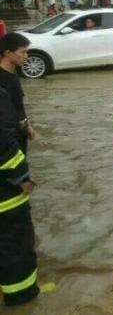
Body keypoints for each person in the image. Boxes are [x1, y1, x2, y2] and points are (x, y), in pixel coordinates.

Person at [0, 87, 39, 306]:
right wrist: (22, 177)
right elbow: (4, 146)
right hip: (5, 196)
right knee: (15, 246)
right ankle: (23, 299)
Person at [0, 33, 35, 154]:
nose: (26, 56)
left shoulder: (14, 74)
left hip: (19, 132)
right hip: (7, 139)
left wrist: (27, 124)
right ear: (8, 53)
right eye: (23, 52)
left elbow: (18, 104)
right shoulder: (1, 79)